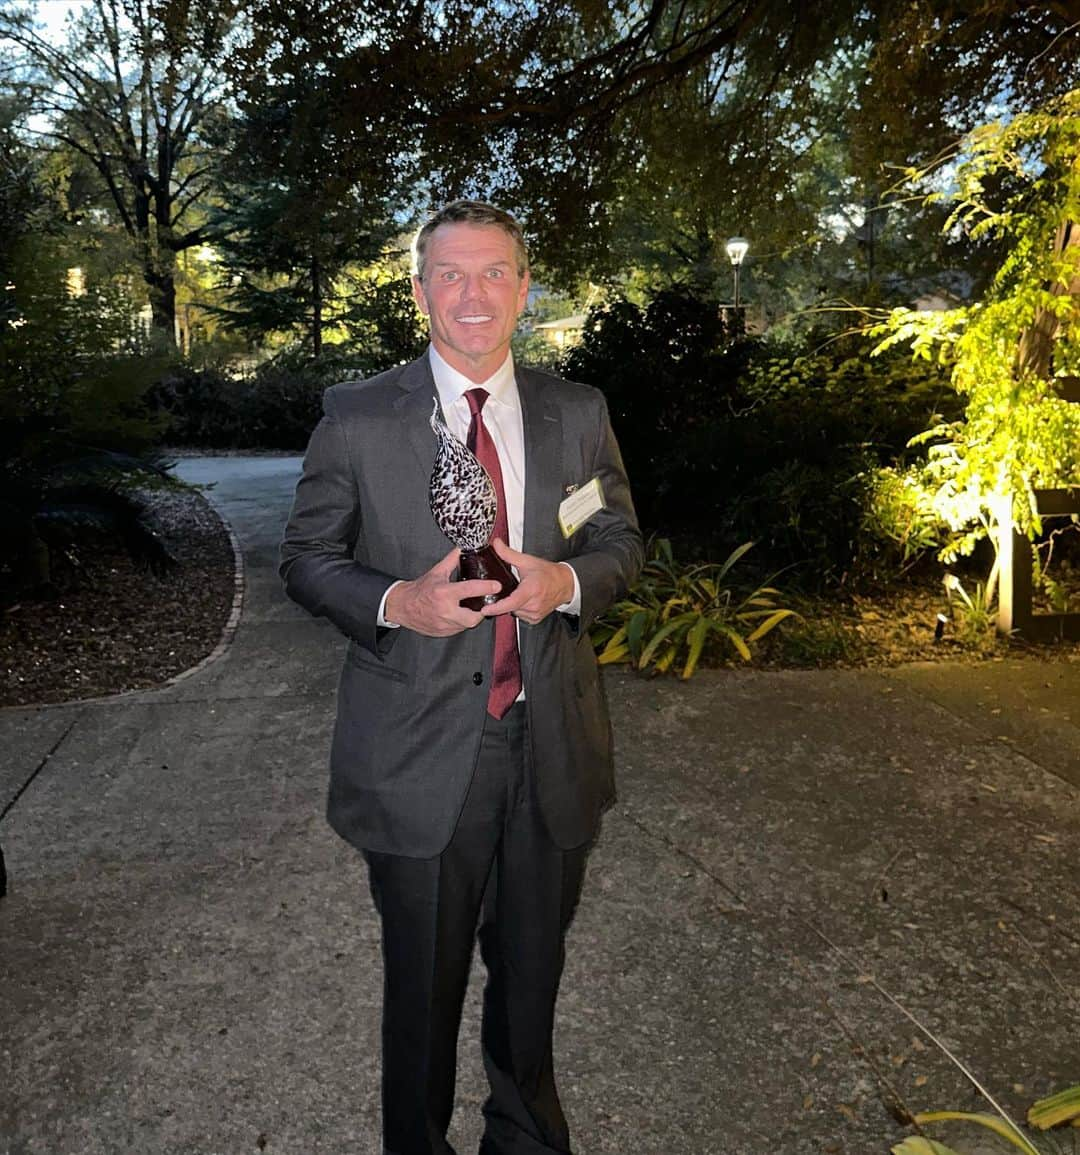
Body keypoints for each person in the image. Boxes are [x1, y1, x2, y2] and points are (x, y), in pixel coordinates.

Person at [280, 199, 642, 1155]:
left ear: (524, 289)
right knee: (424, 989)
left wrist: (563, 580)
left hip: (551, 740)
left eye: (494, 273)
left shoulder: (577, 413)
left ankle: (525, 1135)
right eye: (450, 273)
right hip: (417, 755)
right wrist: (403, 602)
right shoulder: (357, 417)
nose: (472, 294)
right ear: (419, 292)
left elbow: (617, 537)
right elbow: (307, 558)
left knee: (532, 978)